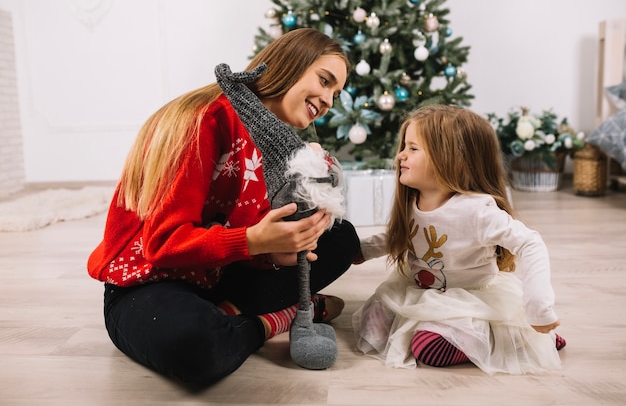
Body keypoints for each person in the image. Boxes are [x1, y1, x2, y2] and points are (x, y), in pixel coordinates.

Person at [87, 28, 360, 386]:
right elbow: (163, 244)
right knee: (198, 347)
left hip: (216, 274)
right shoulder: (203, 119)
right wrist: (254, 242)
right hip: (149, 280)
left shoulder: (278, 144)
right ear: (289, 64)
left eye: (335, 94)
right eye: (324, 81)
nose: (327, 100)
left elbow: (235, 229)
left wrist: (273, 254)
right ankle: (276, 317)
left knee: (340, 238)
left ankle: (234, 314)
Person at [352, 105, 566, 375]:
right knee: (372, 322)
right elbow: (397, 236)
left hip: (470, 298)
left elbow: (530, 243)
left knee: (427, 347)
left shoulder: (477, 210)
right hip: (422, 291)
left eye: (413, 148)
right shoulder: (413, 201)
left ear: (455, 160)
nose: (400, 156)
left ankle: (521, 334)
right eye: (404, 147)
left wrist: (538, 303)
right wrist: (358, 250)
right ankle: (514, 335)